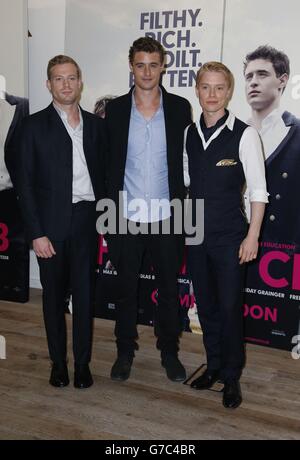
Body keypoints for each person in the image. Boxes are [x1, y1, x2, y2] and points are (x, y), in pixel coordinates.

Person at [105, 36, 192, 382]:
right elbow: (106, 166)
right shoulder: (113, 110)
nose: (147, 72)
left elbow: (187, 163)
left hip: (168, 215)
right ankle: (124, 351)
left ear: (163, 66)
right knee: (126, 289)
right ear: (131, 67)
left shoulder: (179, 108)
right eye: (140, 64)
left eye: (153, 64)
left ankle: (169, 351)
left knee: (169, 289)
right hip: (125, 213)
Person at [17, 55, 106, 389]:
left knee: (84, 297)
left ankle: (82, 364)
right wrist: (36, 234)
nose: (66, 85)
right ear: (48, 84)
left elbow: (106, 177)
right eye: (59, 79)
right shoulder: (32, 127)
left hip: (87, 220)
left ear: (80, 82)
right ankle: (58, 363)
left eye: (71, 78)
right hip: (50, 226)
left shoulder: (96, 126)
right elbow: (24, 185)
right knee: (53, 298)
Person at [184, 62, 268, 408]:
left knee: (231, 308)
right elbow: (187, 183)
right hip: (196, 237)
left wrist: (252, 237)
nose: (213, 95)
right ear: (198, 90)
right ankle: (214, 366)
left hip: (231, 238)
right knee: (206, 307)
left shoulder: (245, 134)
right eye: (206, 87)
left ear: (229, 92)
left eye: (219, 88)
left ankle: (232, 377)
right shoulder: (189, 133)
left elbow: (259, 192)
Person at [244, 45, 300, 245]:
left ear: (283, 80)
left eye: (262, 74)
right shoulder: (235, 134)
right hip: (233, 245)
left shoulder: (296, 133)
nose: (253, 82)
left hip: (282, 252)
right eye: (249, 77)